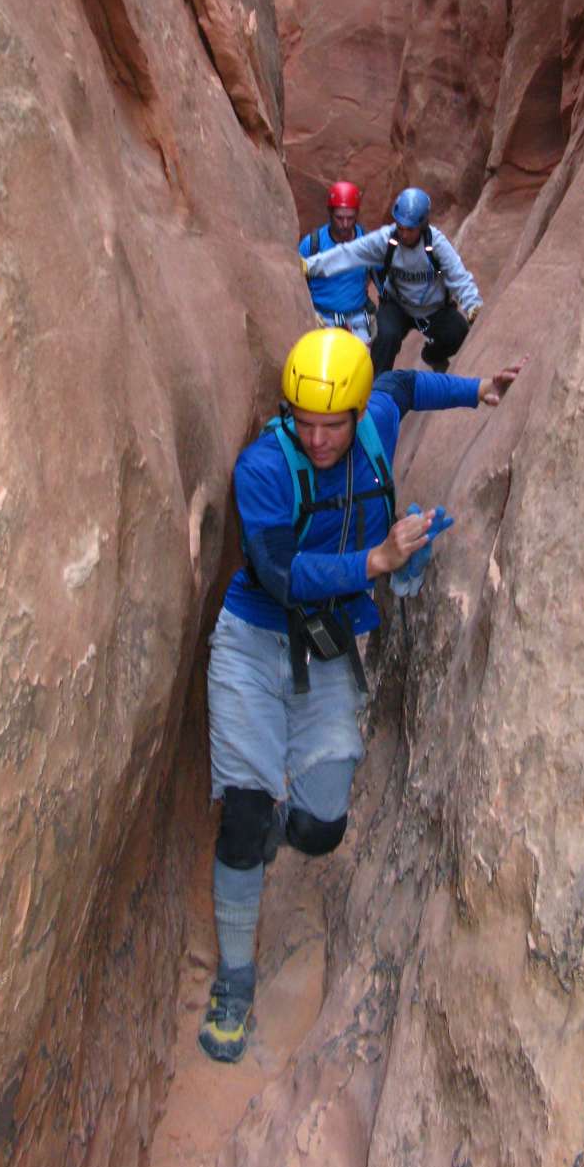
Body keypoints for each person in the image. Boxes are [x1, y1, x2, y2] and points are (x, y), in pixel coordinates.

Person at [198, 327, 523, 1063]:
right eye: (303, 422)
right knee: (243, 816)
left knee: (321, 827)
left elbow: (402, 387)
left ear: (354, 413)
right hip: (254, 642)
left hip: (327, 648)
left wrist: (477, 390)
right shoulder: (264, 467)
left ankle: (275, 827)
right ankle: (234, 981)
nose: (316, 439)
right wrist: (375, 559)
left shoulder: (373, 420)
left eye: (332, 425)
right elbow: (279, 575)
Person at [303, 187, 482, 374]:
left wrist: (473, 306)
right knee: (385, 336)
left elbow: (458, 275)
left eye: (410, 229)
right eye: (400, 227)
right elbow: (349, 253)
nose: (403, 234)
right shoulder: (387, 239)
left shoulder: (435, 244)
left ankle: (433, 355)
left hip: (433, 308)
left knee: (458, 333)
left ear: (422, 225)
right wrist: (310, 266)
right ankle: (377, 384)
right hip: (398, 306)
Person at [298, 180, 374, 344]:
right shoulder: (312, 245)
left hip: (357, 320)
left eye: (350, 218)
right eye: (339, 218)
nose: (345, 224)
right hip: (321, 319)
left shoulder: (367, 243)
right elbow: (295, 283)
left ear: (357, 215)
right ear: (330, 213)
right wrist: (308, 313)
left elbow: (383, 278)